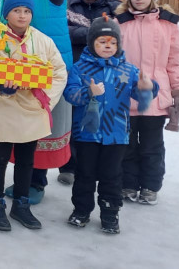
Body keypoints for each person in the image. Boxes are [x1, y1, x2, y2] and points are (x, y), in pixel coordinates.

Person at [0, 0, 92, 203]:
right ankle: (26, 180)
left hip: (46, 63)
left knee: (41, 124)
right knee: (22, 123)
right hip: (14, 67)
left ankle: (36, 185)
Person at [64, 15, 158, 234]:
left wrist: (148, 87)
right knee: (85, 174)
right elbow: (70, 95)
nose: (108, 46)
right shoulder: (80, 69)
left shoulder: (128, 70)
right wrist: (89, 92)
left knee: (112, 176)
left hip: (116, 135)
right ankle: (81, 210)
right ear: (91, 43)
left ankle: (110, 213)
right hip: (87, 134)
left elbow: (141, 95)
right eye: (102, 41)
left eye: (112, 42)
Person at [0, 0, 67, 232]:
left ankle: (21, 203)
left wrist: (45, 101)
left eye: (27, 11)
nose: (22, 15)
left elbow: (59, 72)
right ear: (6, 13)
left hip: (32, 109)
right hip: (4, 108)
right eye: (17, 10)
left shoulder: (43, 41)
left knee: (26, 159)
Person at [116, 0, 179, 206]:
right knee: (126, 146)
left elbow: (174, 61)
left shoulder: (168, 25)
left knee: (152, 147)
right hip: (124, 97)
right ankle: (127, 184)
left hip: (156, 97)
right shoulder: (119, 23)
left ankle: (150, 186)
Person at [59, 0, 122, 184]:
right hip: (76, 68)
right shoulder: (67, 5)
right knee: (72, 117)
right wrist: (94, 33)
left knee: (100, 118)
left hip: (106, 72)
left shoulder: (116, 9)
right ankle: (69, 165)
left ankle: (97, 166)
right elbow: (62, 30)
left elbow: (119, 38)